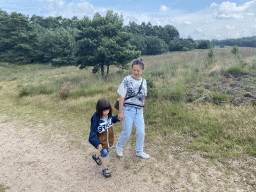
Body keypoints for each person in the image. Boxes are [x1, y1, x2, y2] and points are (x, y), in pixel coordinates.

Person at [116, 59, 149, 159]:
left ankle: (139, 151)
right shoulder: (127, 80)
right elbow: (121, 97)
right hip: (127, 110)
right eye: (134, 70)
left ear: (142, 70)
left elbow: (144, 95)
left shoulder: (144, 81)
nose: (135, 72)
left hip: (139, 111)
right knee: (127, 131)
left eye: (138, 70)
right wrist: (120, 112)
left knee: (141, 132)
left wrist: (142, 105)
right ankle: (119, 145)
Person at [89, 98, 120, 178]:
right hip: (101, 140)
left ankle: (96, 157)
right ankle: (105, 169)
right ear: (99, 110)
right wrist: (97, 143)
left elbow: (112, 120)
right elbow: (92, 133)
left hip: (108, 138)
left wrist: (117, 118)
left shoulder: (108, 115)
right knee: (105, 153)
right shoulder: (96, 119)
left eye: (108, 110)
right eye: (104, 111)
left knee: (107, 150)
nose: (106, 112)